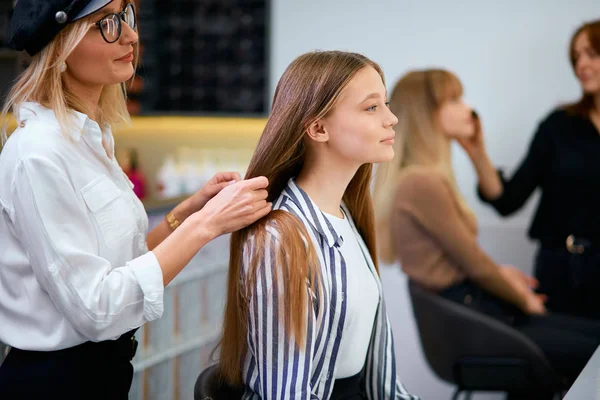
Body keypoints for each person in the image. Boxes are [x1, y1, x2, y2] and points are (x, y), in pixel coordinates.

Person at [0, 1, 271, 398]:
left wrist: (187, 212)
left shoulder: (90, 139)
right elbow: (97, 308)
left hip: (102, 372)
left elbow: (124, 265)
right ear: (62, 47)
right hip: (54, 382)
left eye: (126, 15)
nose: (130, 35)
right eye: (106, 24)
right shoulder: (38, 154)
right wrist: (206, 224)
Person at [373, 69, 600, 397]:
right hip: (471, 313)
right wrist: (523, 299)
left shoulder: (425, 178)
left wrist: (504, 276)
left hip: (475, 307)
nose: (469, 109)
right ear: (426, 112)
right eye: (453, 100)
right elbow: (474, 262)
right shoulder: (422, 182)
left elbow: (459, 260)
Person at [217, 51, 418, 400]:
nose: (392, 119)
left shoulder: (347, 216)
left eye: (385, 104)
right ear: (318, 128)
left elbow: (383, 385)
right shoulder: (280, 239)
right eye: (372, 108)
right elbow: (286, 394)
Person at [461, 20, 600, 320]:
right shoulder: (558, 126)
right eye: (576, 57)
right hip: (563, 271)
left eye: (592, 54)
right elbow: (508, 200)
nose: (581, 65)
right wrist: (476, 151)